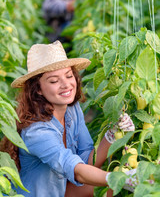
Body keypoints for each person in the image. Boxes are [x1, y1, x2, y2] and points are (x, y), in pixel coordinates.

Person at [2, 41, 136, 197]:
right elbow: (75, 170)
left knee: (110, 190)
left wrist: (111, 137)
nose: (66, 85)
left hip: (62, 190)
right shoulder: (36, 131)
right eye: (54, 81)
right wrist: (121, 178)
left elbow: (86, 161)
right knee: (112, 186)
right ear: (37, 89)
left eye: (68, 75)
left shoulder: (72, 109)